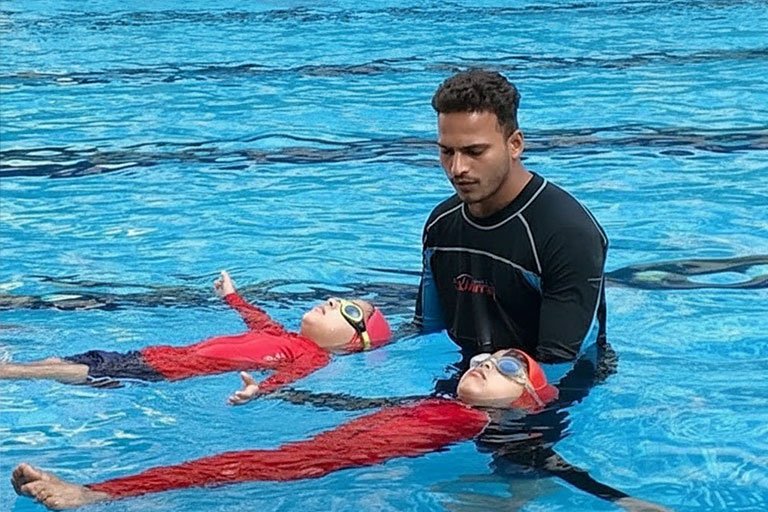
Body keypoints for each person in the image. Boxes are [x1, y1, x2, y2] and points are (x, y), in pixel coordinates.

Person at [10, 348, 667, 511]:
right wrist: (278, 390)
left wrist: (620, 500)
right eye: (475, 357)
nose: (477, 362)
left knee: (236, 469)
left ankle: (94, 493)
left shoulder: (496, 427)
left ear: (523, 398)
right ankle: (106, 492)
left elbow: (552, 468)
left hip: (323, 468)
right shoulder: (443, 400)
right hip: (326, 446)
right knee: (232, 462)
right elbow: (346, 403)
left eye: (499, 365)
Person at [415, 69, 609, 381]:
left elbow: (562, 365)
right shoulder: (441, 225)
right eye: (446, 151)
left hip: (552, 399)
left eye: (474, 152)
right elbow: (425, 334)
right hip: (466, 380)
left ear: (515, 144)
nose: (457, 168)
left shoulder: (567, 234)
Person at [0, 271, 392, 398]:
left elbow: (290, 378)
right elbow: (256, 321)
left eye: (349, 310)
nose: (333, 302)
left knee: (84, 371)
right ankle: (16, 365)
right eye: (337, 298)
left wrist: (262, 390)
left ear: (354, 341)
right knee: (74, 361)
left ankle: (9, 372)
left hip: (171, 370)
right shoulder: (286, 335)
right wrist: (233, 296)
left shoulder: (313, 357)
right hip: (162, 354)